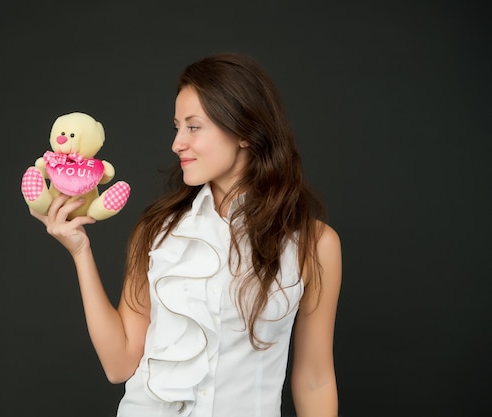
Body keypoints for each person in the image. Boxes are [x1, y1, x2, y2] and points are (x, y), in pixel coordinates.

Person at [29, 52, 342, 417]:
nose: (178, 143)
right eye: (177, 126)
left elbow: (315, 380)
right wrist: (80, 252)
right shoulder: (157, 230)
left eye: (193, 127)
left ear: (244, 131)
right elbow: (119, 365)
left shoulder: (314, 245)